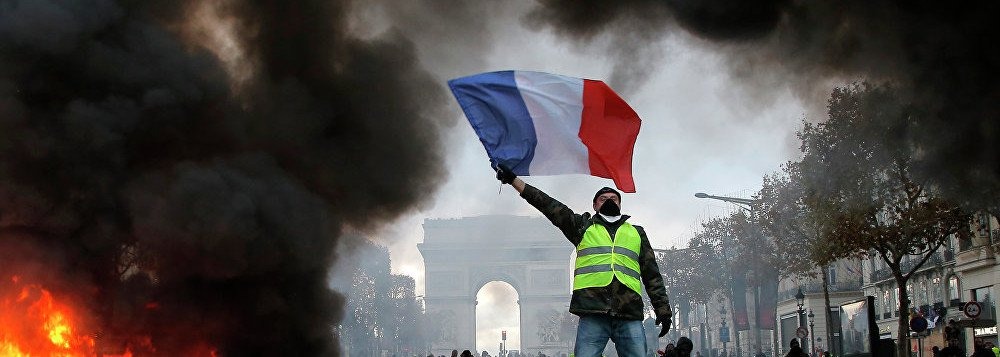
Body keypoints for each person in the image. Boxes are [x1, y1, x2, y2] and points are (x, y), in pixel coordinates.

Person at [495, 166, 672, 357]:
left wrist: (663, 309)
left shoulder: (637, 232)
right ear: (594, 205)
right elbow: (549, 205)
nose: (609, 201)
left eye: (613, 198)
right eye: (603, 199)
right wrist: (514, 181)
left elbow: (652, 275)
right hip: (593, 311)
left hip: (628, 311)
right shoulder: (581, 227)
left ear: (620, 204)